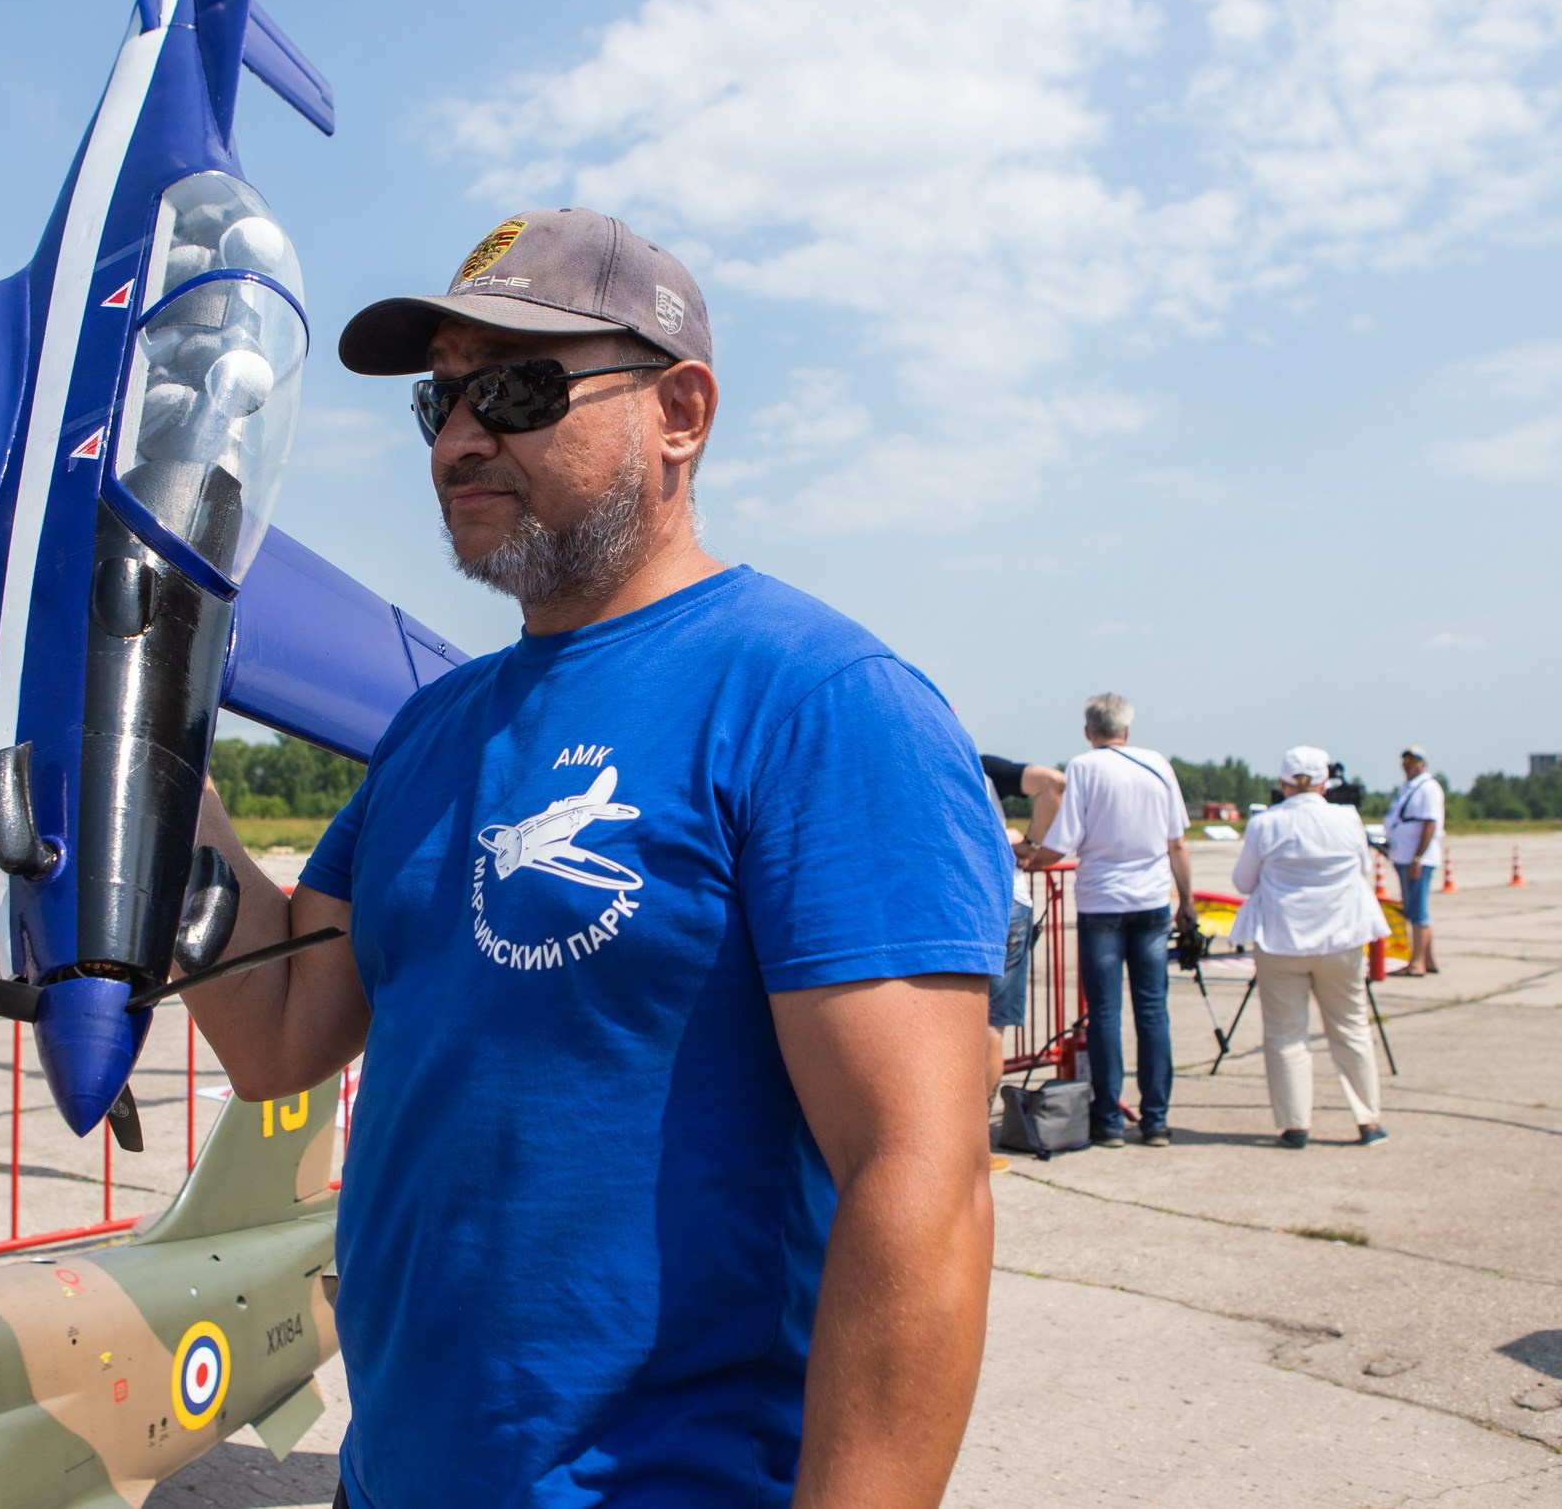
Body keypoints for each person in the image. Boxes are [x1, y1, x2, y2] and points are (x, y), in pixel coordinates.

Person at [181, 209, 1012, 1509]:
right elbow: (279, 1029)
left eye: (515, 389)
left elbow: (918, 1176)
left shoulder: (817, 703)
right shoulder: (435, 728)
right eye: (440, 399)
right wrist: (157, 763)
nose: (459, 437)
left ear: (680, 412)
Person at [1036, 693, 1193, 1148]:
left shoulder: (1084, 768)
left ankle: (1107, 1121)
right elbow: (1177, 843)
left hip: (1101, 902)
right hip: (1152, 902)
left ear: (1088, 731)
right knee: (1153, 1010)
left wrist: (1028, 856)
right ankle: (1156, 1119)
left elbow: (1062, 841)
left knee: (1104, 1013)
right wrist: (1187, 901)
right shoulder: (1158, 765)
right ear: (1127, 729)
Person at [1230, 747, 1390, 1149]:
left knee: (1285, 1035)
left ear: (1283, 783)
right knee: (1351, 1028)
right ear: (1324, 783)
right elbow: (1363, 868)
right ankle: (1368, 1120)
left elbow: (1243, 882)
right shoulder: (1347, 819)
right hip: (1340, 939)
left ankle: (1295, 1125)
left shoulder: (1266, 824)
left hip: (1281, 940)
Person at [982, 754, 1066, 1098]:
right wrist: (1027, 843)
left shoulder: (911, 766)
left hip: (952, 902)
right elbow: (1053, 782)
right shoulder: (981, 767)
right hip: (1008, 899)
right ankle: (978, 1124)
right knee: (991, 1027)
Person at [1387, 746, 1445, 976]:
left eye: (1413, 760)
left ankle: (1416, 963)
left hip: (1416, 858)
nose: (1408, 764)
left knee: (1417, 911)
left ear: (1423, 764)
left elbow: (1429, 824)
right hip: (1404, 855)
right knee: (1414, 908)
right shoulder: (1408, 787)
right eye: (1405, 760)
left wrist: (1417, 857)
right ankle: (1428, 960)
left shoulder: (1427, 788)